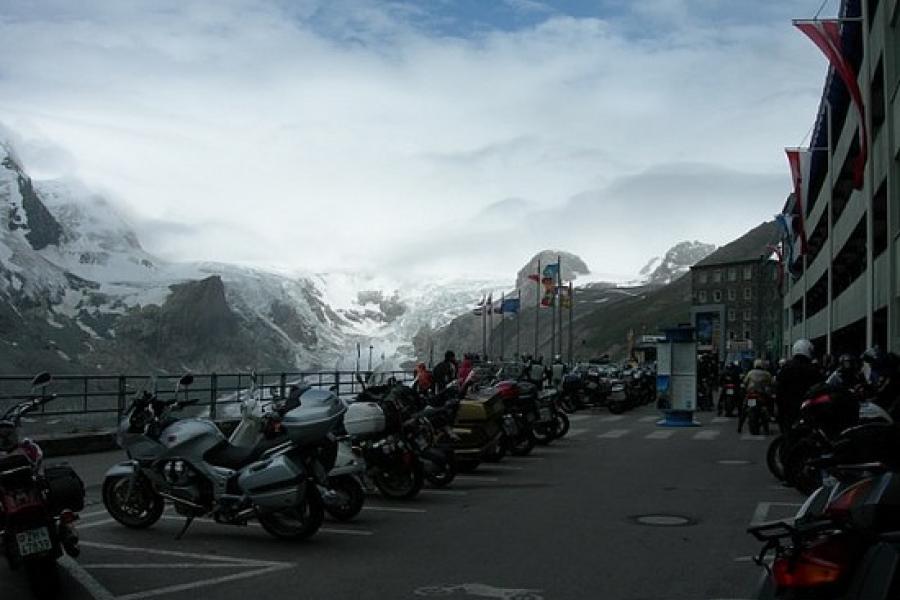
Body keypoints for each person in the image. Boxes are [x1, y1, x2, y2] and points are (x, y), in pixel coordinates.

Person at [775, 339, 823, 434]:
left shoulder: (786, 368)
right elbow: (821, 386)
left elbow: (778, 388)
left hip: (787, 409)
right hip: (807, 408)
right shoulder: (812, 369)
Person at [738, 359, 774, 433]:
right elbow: (771, 383)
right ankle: (767, 425)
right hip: (761, 395)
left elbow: (745, 382)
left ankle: (740, 426)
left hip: (751, 394)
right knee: (767, 406)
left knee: (744, 410)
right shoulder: (766, 374)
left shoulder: (750, 373)